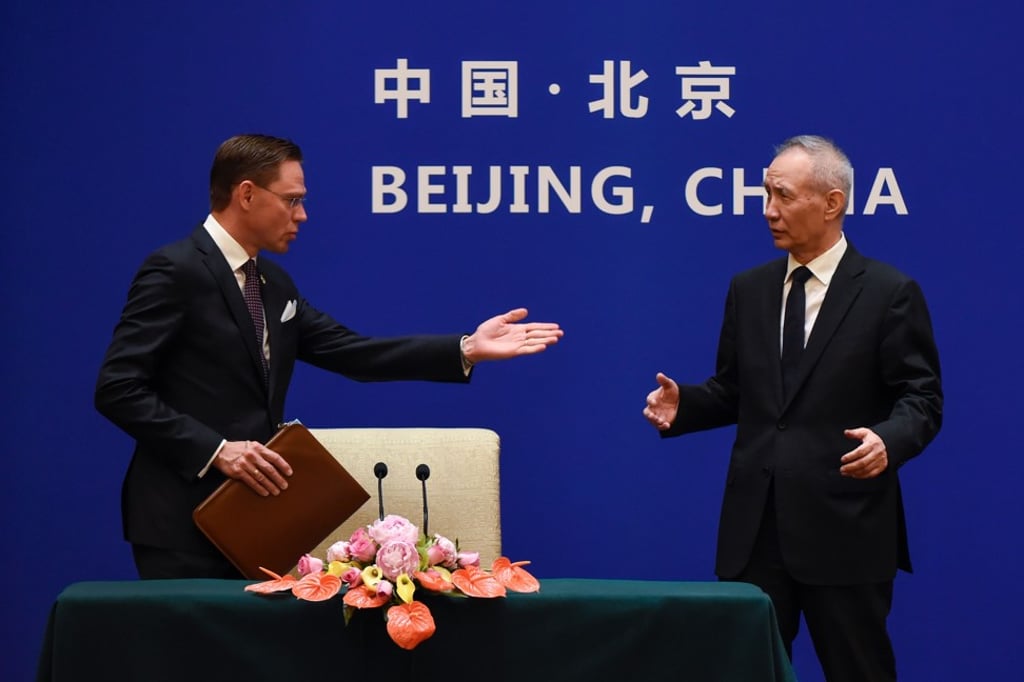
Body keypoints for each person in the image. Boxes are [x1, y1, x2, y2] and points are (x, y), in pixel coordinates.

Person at [95, 133, 563, 580]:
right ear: (246, 194)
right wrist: (217, 451)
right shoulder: (175, 269)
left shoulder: (273, 283)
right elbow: (118, 388)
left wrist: (465, 348)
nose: (302, 215)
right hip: (181, 521)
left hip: (256, 520)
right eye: (292, 199)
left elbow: (352, 353)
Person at [642, 135, 942, 681]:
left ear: (831, 203)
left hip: (846, 528)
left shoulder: (888, 292)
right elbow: (737, 392)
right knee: (744, 671)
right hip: (756, 532)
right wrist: (685, 405)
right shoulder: (749, 289)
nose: (768, 211)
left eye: (782, 196)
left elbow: (921, 398)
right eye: (765, 195)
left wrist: (888, 441)